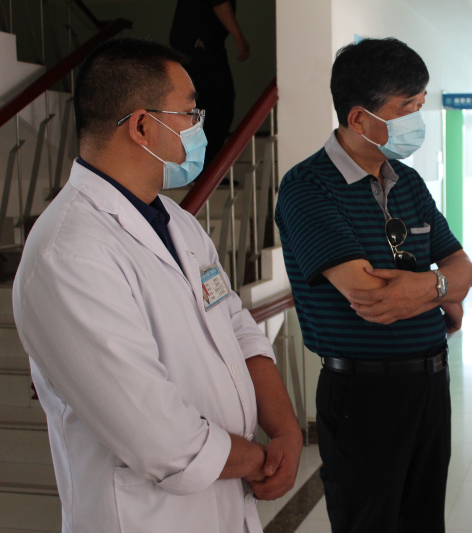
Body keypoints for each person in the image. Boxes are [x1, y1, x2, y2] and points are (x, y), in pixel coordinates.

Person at [12, 38, 302, 533]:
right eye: (190, 113)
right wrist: (262, 461)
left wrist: (287, 433)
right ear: (143, 126)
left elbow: (236, 327)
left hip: (225, 503)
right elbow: (159, 436)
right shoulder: (68, 254)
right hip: (145, 518)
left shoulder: (175, 221)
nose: (200, 127)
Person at [274, 38, 472, 533]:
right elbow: (373, 297)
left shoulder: (408, 182)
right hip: (363, 395)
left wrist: (434, 285)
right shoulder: (308, 187)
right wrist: (443, 290)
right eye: (407, 108)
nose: (417, 119)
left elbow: (464, 268)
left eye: (420, 105)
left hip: (430, 383)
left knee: (424, 522)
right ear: (359, 119)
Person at [170, 0, 250, 165]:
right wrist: (238, 36)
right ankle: (206, 167)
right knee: (217, 105)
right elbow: (219, 2)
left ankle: (202, 166)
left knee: (209, 105)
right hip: (201, 43)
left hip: (196, 43)